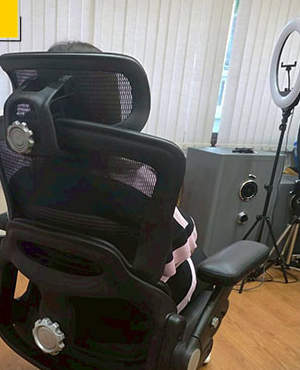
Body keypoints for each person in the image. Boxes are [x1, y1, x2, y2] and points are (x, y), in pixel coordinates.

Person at [37, 41, 204, 314]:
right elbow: (183, 247)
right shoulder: (141, 182)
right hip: (135, 310)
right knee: (203, 260)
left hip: (64, 295)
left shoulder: (25, 176)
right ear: (115, 105)